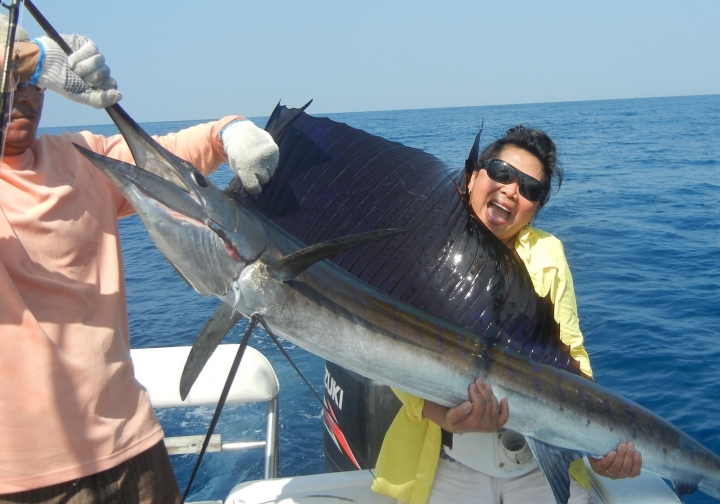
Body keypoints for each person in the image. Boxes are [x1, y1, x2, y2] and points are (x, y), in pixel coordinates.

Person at [0, 16, 277, 503]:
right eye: (13, 84)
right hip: (23, 481)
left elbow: (163, 159)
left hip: (134, 448)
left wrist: (226, 130)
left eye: (34, 86)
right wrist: (30, 59)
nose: (24, 95)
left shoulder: (80, 156)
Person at [371, 126, 643, 504]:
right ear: (473, 176)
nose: (512, 190)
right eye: (501, 172)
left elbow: (572, 354)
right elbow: (388, 350)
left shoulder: (549, 253)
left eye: (531, 189)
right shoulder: (425, 246)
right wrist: (442, 415)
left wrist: (597, 445)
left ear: (536, 208)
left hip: (538, 464)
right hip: (447, 459)